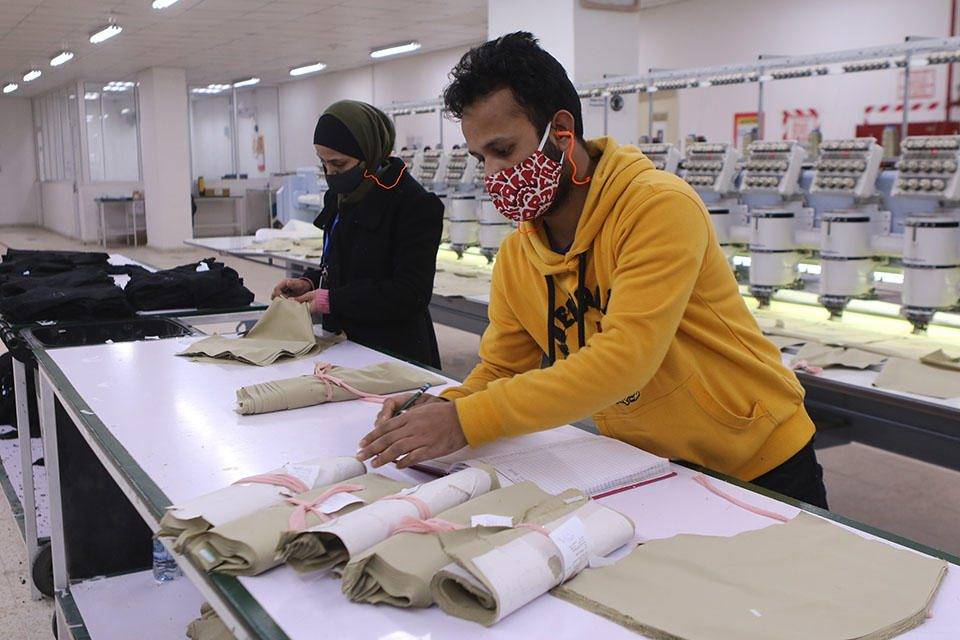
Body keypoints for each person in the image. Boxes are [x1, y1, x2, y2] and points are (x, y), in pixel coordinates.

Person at [357, 32, 828, 509]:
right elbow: (502, 368)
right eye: (482, 159)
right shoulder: (520, 254)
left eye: (504, 150)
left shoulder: (657, 207)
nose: (493, 175)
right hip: (650, 463)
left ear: (561, 131)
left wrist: (467, 421)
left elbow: (625, 359)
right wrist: (447, 405)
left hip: (757, 458)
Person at [272, 100, 444, 368]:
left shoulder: (414, 204)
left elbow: (411, 293)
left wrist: (331, 300)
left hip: (394, 352)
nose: (331, 174)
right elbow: (343, 265)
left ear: (369, 153)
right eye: (323, 163)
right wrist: (310, 283)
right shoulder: (341, 197)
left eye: (338, 164)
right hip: (344, 345)